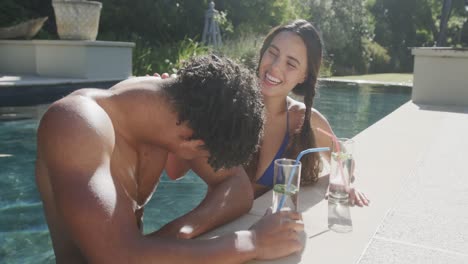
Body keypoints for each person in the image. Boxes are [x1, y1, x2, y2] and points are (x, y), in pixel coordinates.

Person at [35, 54, 304, 263]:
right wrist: (254, 241)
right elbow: (117, 258)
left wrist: (179, 233)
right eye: (204, 155)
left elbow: (238, 186)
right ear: (191, 141)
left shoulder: (174, 110)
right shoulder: (75, 125)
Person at [165, 20, 370, 206]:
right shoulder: (227, 105)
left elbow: (343, 157)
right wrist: (172, 108)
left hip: (266, 233)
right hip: (217, 229)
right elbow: (175, 172)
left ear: (304, 76)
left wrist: (342, 182)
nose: (274, 67)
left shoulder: (304, 120)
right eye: (272, 53)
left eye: (290, 64)